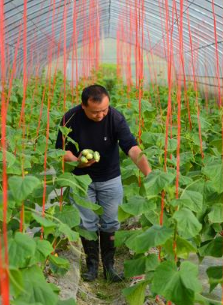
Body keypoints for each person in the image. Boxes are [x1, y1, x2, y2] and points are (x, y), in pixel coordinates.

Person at [55, 84, 151, 282]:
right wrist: (76, 160)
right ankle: (92, 267)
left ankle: (109, 267)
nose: (101, 115)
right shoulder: (70, 118)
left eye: (104, 110)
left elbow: (131, 147)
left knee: (111, 222)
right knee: (86, 222)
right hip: (81, 180)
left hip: (110, 178)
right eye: (95, 112)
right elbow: (61, 150)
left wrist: (150, 175)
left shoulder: (115, 117)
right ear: (83, 106)